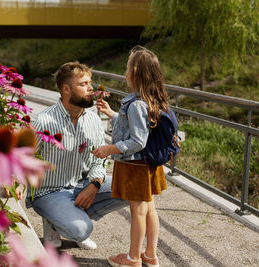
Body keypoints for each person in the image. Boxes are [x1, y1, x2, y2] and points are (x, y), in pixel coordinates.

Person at [27, 61, 127, 250]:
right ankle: (55, 220)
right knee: (81, 230)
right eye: (83, 84)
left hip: (82, 184)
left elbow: (100, 159)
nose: (91, 89)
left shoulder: (94, 120)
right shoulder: (42, 121)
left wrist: (94, 184)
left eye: (90, 83)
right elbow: (20, 156)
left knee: (133, 187)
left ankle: (70, 216)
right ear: (66, 89)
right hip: (49, 191)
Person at [93, 46, 167, 267]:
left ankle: (133, 258)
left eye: (127, 68)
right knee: (149, 207)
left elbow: (137, 141)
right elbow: (135, 129)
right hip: (148, 164)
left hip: (135, 166)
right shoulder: (149, 99)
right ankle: (150, 256)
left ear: (134, 71)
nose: (125, 73)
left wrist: (111, 149)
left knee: (138, 210)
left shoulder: (136, 105)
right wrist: (113, 114)